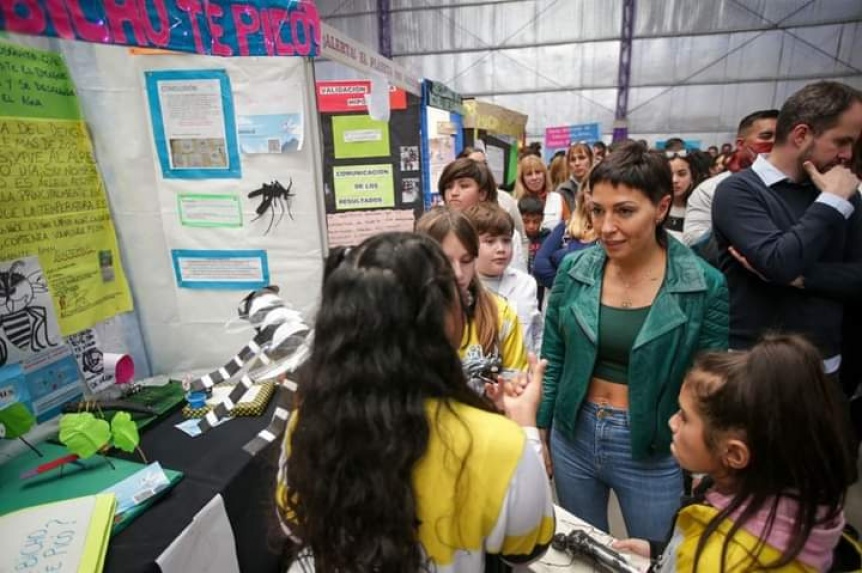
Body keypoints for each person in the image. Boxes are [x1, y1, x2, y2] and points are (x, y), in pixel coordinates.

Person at [275, 232, 555, 572]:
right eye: (459, 294)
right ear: (447, 320)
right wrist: (526, 427)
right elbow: (526, 548)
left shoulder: (308, 422)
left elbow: (291, 521)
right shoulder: (498, 444)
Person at [539, 141, 729, 540]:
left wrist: (705, 457)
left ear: (661, 208)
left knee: (658, 552)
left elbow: (709, 378)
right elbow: (554, 353)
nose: (607, 227)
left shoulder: (702, 284)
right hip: (573, 431)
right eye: (597, 210)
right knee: (581, 552)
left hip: (652, 442)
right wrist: (542, 425)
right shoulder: (575, 269)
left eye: (624, 211)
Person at [613, 334, 857, 571]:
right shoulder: (809, 518)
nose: (672, 423)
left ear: (735, 454)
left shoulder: (715, 562)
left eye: (685, 417)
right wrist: (662, 552)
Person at [712, 81, 862, 377]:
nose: (847, 155)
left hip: (824, 364)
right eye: (840, 142)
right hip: (751, 366)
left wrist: (801, 278)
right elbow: (779, 261)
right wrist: (831, 202)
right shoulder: (738, 191)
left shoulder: (845, 193)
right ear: (801, 135)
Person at [417, 207, 528, 388]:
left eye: (467, 260)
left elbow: (516, 386)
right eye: (445, 262)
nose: (458, 273)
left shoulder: (501, 314)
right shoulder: (403, 316)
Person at [683, 109, 779, 247]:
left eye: (782, 137)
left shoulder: (803, 184)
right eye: (766, 136)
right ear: (740, 144)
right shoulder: (710, 190)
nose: (775, 142)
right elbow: (694, 242)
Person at [465, 203, 543, 356]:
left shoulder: (526, 284)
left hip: (523, 376)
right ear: (470, 244)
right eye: (490, 241)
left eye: (506, 241)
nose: (501, 249)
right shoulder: (463, 285)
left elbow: (537, 333)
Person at [438, 157, 528, 271]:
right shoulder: (439, 231)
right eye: (449, 187)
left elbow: (518, 279)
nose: (454, 193)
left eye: (464, 186)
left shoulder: (504, 231)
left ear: (482, 193)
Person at [532, 182, 598, 291]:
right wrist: (566, 290)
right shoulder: (566, 226)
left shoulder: (610, 232)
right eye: (590, 193)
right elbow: (539, 265)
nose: (594, 198)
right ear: (582, 196)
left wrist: (559, 256)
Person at [457, 146, 526, 240]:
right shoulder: (455, 200)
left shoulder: (505, 199)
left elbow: (522, 237)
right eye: (474, 164)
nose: (481, 168)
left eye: (484, 163)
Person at [665, 150, 709, 242]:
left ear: (692, 177)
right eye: (669, 174)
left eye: (682, 174)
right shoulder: (657, 205)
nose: (674, 180)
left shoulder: (703, 208)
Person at [547, 142, 593, 228]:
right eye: (573, 160)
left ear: (590, 160)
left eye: (581, 158)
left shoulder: (600, 186)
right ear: (568, 164)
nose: (577, 163)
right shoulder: (562, 191)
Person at [518, 195, 550, 276]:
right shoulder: (516, 239)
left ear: (542, 218)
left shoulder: (548, 238)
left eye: (535, 221)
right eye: (526, 221)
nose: (531, 226)